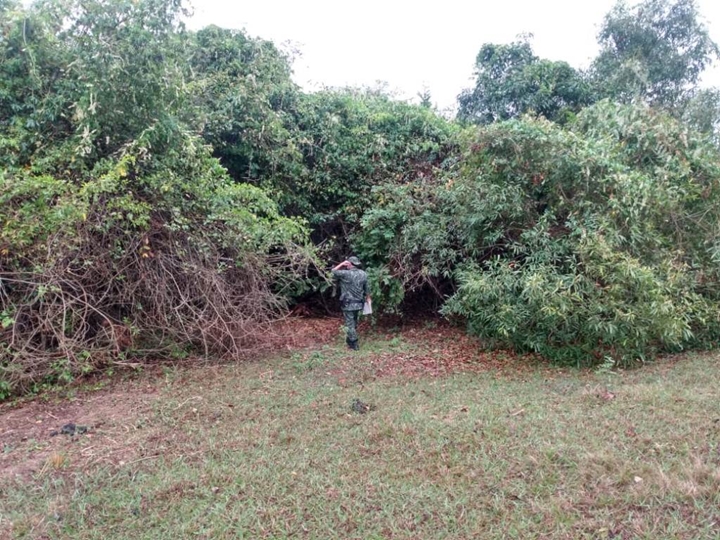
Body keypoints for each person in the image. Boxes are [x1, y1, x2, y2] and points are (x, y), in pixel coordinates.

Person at [331, 256, 369, 350]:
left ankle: (354, 344)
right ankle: (349, 342)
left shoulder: (345, 274)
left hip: (348, 304)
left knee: (350, 325)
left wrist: (341, 264)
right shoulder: (363, 274)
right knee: (354, 323)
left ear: (350, 264)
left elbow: (332, 272)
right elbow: (367, 290)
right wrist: (368, 303)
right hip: (359, 304)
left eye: (348, 263)